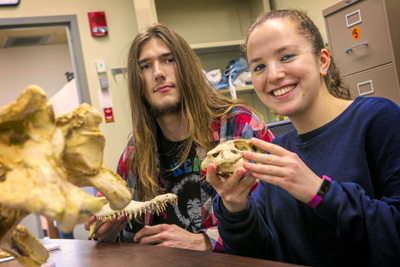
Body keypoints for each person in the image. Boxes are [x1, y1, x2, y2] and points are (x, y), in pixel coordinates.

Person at [207, 9, 400, 266]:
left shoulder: (378, 119)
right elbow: (259, 254)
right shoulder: (275, 151)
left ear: (322, 61)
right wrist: (235, 209)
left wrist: (319, 192)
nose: (273, 75)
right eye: (259, 67)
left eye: (286, 56)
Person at [84, 23, 273, 252]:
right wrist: (108, 233)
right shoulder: (136, 152)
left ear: (187, 68)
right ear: (137, 83)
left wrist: (205, 241)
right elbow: (126, 236)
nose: (158, 73)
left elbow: (273, 221)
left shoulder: (239, 128)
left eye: (168, 60)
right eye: (145, 66)